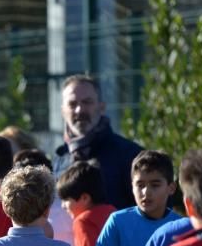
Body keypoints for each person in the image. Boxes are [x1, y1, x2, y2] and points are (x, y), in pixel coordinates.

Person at [53, 74, 143, 210]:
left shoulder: (130, 156)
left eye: (87, 102)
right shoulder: (58, 161)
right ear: (62, 111)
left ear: (102, 107)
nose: (79, 110)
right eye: (72, 104)